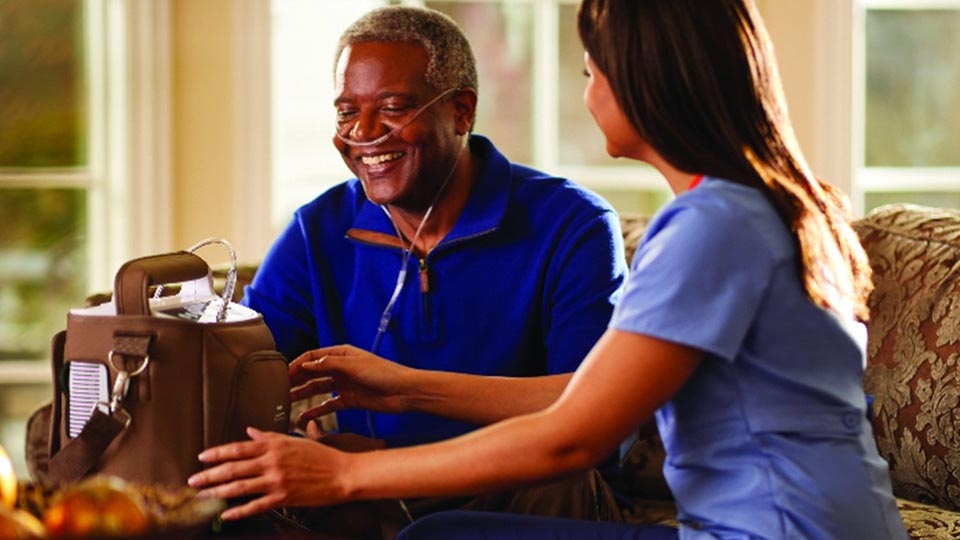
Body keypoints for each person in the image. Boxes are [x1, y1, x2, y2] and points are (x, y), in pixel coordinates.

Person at [191, 0, 910, 538]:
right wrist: (399, 394)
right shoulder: (745, 209)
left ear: (645, 81)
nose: (588, 90)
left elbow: (577, 433)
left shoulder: (713, 227)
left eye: (593, 71)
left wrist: (345, 473)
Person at [235, 4, 628, 535]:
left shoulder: (572, 225)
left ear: (462, 112)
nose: (365, 133)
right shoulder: (317, 230)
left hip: (516, 489)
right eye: (347, 111)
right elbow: (240, 374)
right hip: (370, 493)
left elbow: (596, 416)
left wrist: (398, 421)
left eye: (393, 107)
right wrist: (311, 451)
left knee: (557, 476)